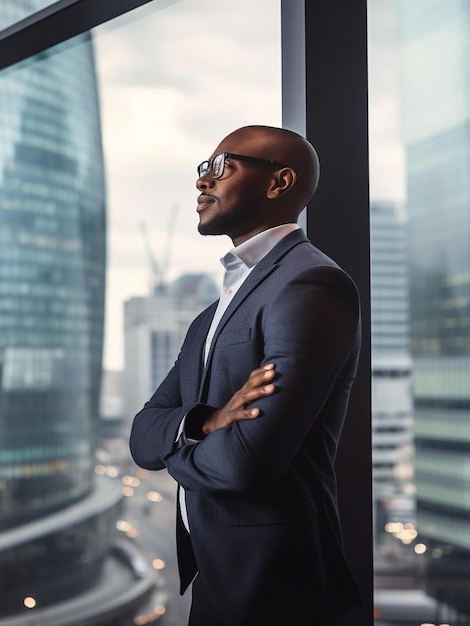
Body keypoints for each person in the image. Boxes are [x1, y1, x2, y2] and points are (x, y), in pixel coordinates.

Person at [129, 125, 363, 625]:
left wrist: (175, 446)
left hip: (278, 588)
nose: (202, 183)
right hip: (217, 581)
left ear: (278, 182)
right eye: (202, 170)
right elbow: (139, 436)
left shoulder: (310, 284)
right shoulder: (212, 314)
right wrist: (208, 423)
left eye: (222, 167)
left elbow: (245, 463)